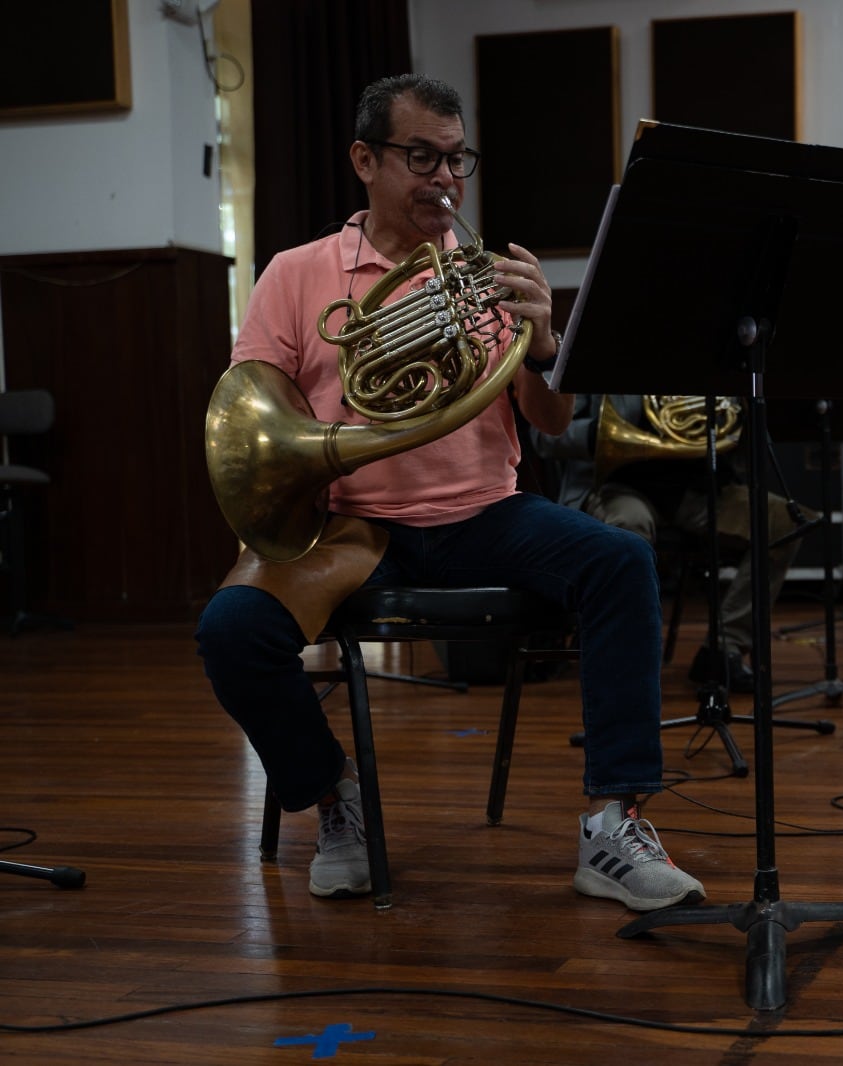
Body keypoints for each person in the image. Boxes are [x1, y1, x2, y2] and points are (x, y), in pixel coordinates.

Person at [194, 75, 705, 912]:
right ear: (366, 160)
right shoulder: (296, 274)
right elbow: (257, 414)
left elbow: (551, 420)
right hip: (350, 528)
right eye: (420, 157)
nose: (444, 179)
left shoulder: (487, 275)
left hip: (486, 514)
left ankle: (615, 824)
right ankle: (334, 798)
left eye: (456, 159)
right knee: (230, 629)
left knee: (620, 562)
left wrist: (543, 342)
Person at [530, 393, 811, 693]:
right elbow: (545, 437)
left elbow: (749, 443)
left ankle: (724, 649)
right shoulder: (596, 353)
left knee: (784, 523)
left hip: (699, 490)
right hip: (618, 486)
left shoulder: (716, 357)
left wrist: (741, 412)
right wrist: (599, 433)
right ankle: (626, 656)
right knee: (629, 534)